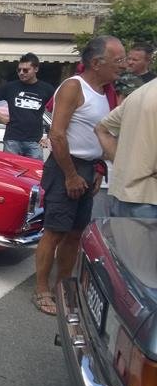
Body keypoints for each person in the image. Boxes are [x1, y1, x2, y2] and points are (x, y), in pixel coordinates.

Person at [32, 35, 126, 316]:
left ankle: (63, 288)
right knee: (54, 231)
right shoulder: (74, 87)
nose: (122, 65)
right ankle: (41, 289)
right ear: (97, 63)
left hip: (88, 168)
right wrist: (71, 175)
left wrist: (97, 168)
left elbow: (99, 135)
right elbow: (57, 135)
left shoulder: (106, 92)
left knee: (74, 234)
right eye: (118, 60)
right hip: (66, 167)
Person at [94, 76, 157, 218]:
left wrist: (125, 165)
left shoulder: (139, 93)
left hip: (125, 194)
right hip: (150, 198)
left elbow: (101, 129)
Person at [0, 53, 54, 160]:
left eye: (26, 70)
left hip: (34, 141)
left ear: (36, 69)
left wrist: (50, 136)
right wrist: (1, 117)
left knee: (34, 170)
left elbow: (58, 111)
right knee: (10, 170)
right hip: (12, 139)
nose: (21, 73)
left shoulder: (47, 89)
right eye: (19, 70)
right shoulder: (11, 87)